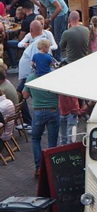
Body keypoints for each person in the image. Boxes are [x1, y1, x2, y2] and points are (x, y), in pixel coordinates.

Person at [22, 37, 60, 176]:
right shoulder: (54, 76)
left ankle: (39, 167)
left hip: (38, 112)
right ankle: (52, 168)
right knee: (52, 142)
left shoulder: (31, 78)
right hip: (53, 110)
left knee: (35, 139)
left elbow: (24, 95)